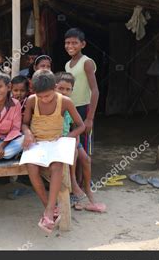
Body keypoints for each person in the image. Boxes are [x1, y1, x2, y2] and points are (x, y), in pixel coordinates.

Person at [21, 70, 85, 233]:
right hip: (37, 143)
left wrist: (67, 138)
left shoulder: (65, 101)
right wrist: (28, 133)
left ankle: (49, 211)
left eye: (48, 96)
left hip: (57, 142)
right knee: (31, 167)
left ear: (55, 87)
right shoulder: (30, 100)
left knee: (57, 166)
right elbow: (25, 123)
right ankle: (49, 207)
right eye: (40, 96)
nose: (44, 99)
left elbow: (81, 126)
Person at [55, 72, 105, 212]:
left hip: (70, 137)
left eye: (68, 89)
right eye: (61, 88)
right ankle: (73, 187)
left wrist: (73, 139)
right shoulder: (52, 105)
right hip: (59, 141)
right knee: (74, 153)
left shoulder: (70, 106)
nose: (64, 92)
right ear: (54, 88)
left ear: (72, 90)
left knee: (86, 159)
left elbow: (76, 127)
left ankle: (87, 190)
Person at [64, 28, 99, 159]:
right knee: (75, 144)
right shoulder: (68, 64)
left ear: (82, 44)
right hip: (71, 108)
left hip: (85, 107)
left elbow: (95, 90)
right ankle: (77, 177)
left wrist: (90, 118)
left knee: (85, 144)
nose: (70, 46)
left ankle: (86, 178)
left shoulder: (87, 62)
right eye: (67, 43)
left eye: (74, 43)